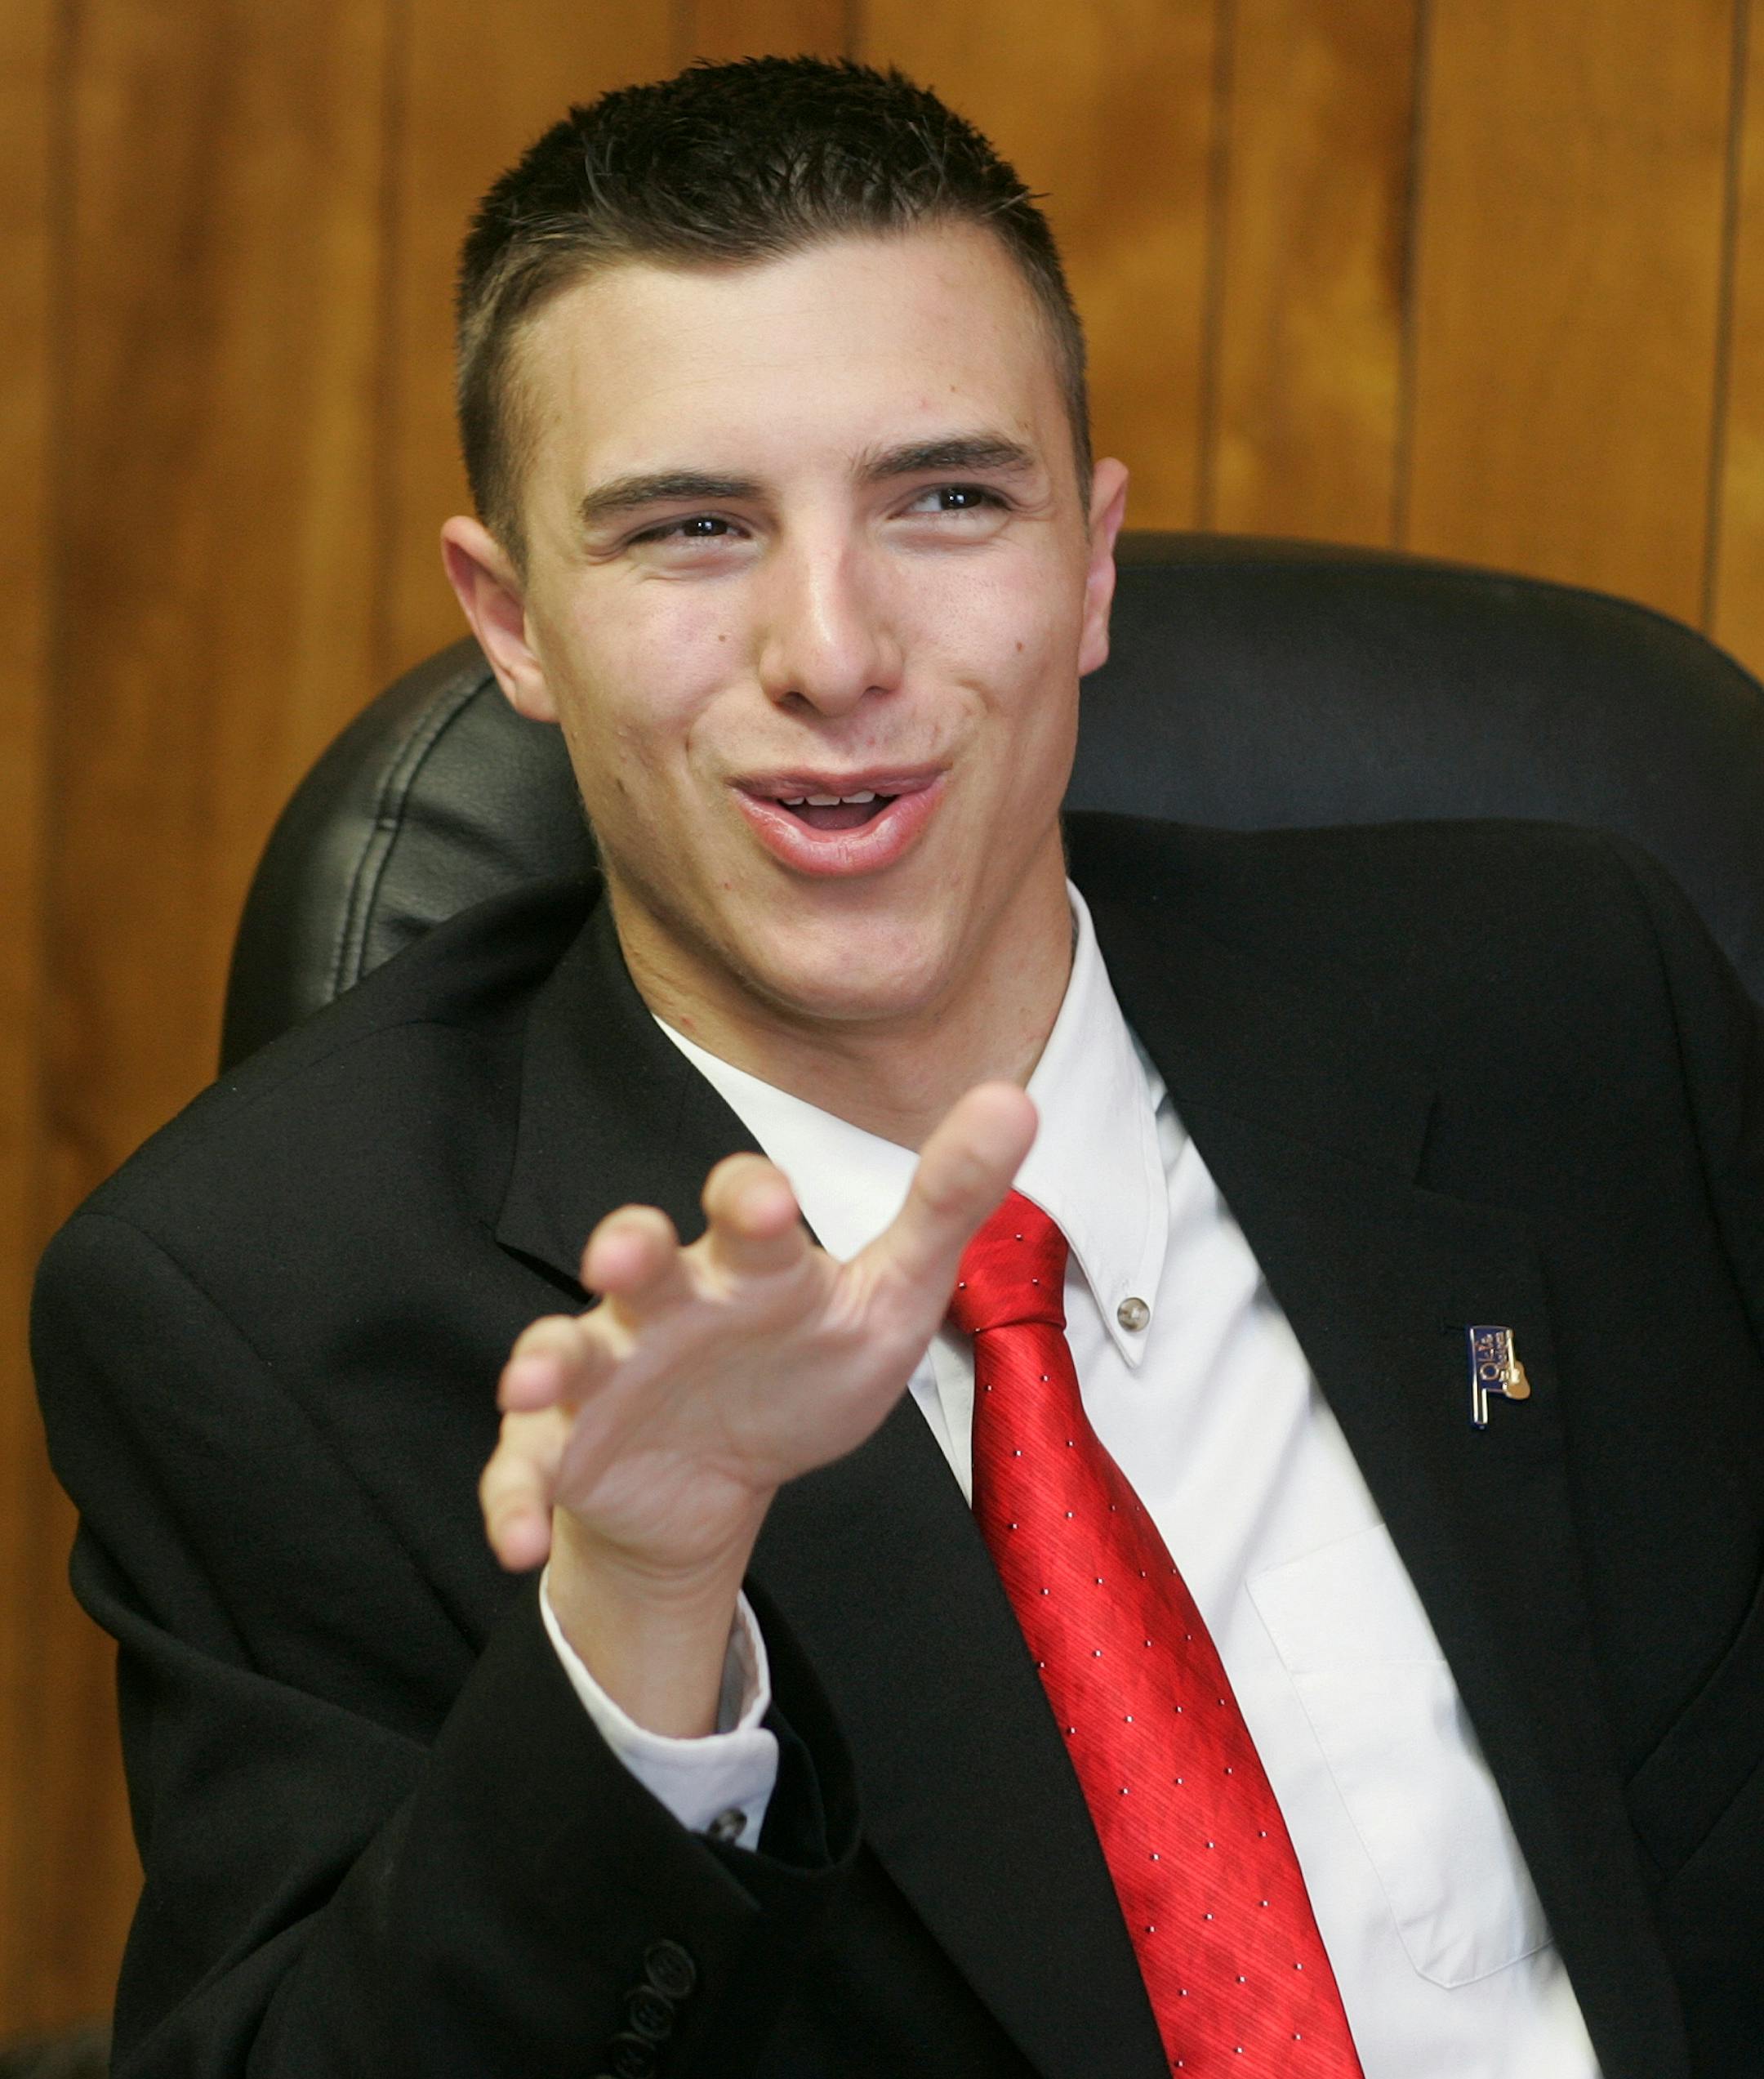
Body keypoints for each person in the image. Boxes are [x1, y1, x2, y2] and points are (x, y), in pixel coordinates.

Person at [30, 55, 1764, 2079]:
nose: (835, 650)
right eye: (691, 528)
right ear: (513, 623)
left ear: (1092, 562)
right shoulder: (264, 1305)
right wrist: (638, 1653)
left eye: (948, 498)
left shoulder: (1555, 995)